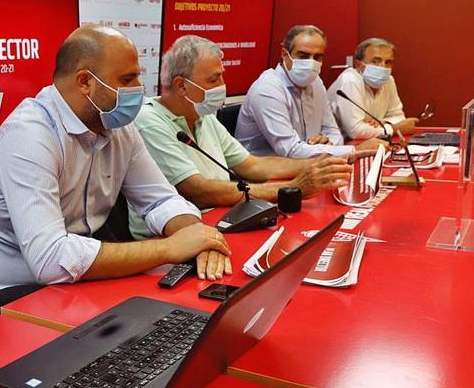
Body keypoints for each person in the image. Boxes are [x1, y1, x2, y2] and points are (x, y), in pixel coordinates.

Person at [0, 26, 233, 315]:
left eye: (138, 76)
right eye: (127, 79)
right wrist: (172, 248)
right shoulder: (29, 135)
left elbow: (161, 200)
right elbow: (50, 260)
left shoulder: (119, 126)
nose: (139, 89)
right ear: (85, 82)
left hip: (70, 283)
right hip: (5, 296)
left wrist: (200, 238)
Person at [128, 35, 353, 237]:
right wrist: (292, 189)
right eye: (213, 80)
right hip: (173, 237)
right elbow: (199, 191)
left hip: (220, 219)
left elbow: (252, 165)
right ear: (181, 86)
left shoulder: (202, 115)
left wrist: (319, 165)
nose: (223, 86)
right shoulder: (149, 121)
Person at [235, 25, 386, 158]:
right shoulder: (268, 89)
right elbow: (290, 150)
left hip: (304, 164)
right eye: (303, 56)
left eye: (318, 57)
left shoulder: (315, 82)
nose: (311, 63)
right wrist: (353, 150)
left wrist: (327, 142)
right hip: (262, 176)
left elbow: (334, 133)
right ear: (284, 54)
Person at [328, 37, 418, 139]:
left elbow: (399, 116)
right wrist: (393, 128)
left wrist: (384, 122)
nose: (383, 67)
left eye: (388, 62)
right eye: (375, 61)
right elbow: (356, 131)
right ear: (358, 65)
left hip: (371, 141)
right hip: (340, 146)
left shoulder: (389, 81)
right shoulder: (350, 80)